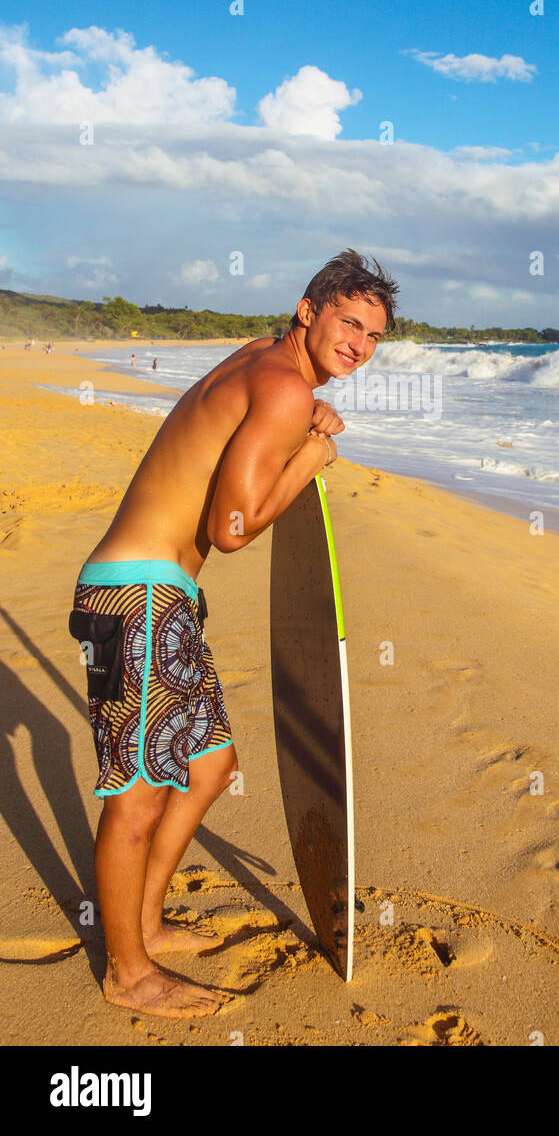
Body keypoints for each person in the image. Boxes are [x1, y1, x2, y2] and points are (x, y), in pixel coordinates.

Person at [68, 249, 398, 1020]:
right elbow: (234, 524)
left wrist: (298, 422)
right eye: (348, 322)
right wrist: (311, 453)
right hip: (137, 600)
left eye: (374, 335)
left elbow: (238, 450)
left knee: (212, 766)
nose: (359, 344)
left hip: (165, 598)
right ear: (307, 310)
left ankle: (146, 920)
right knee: (138, 794)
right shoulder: (283, 387)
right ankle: (127, 970)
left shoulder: (260, 363)